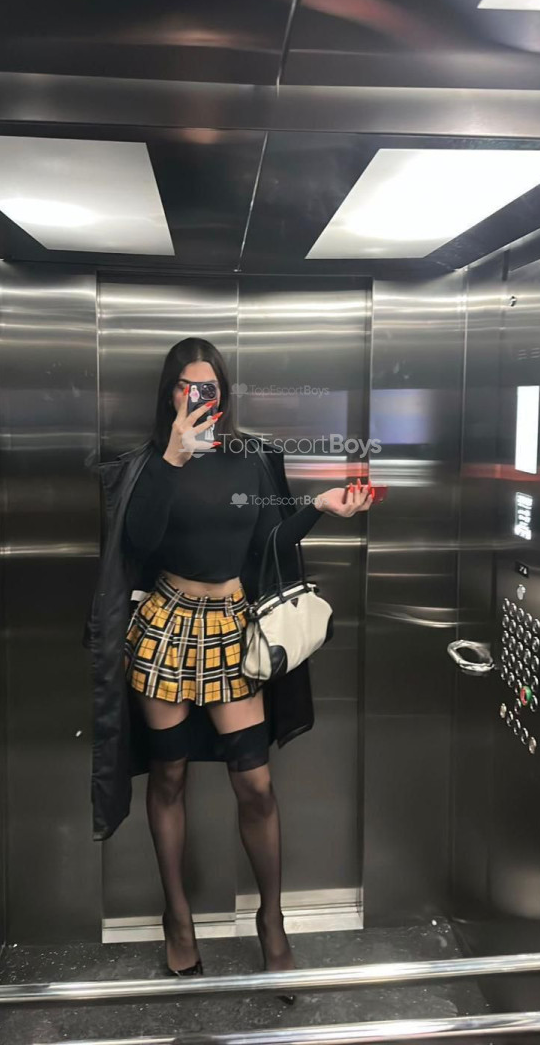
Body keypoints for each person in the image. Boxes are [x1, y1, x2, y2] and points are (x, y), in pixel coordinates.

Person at [109, 337, 373, 980]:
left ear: (224, 395)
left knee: (254, 782)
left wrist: (318, 507)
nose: (201, 398)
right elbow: (135, 543)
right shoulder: (146, 464)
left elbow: (270, 541)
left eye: (211, 388)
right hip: (166, 625)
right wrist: (172, 458)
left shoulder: (252, 456)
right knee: (168, 776)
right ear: (170, 393)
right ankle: (178, 917)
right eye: (188, 387)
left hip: (232, 627)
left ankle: (271, 920)